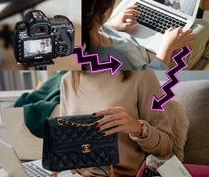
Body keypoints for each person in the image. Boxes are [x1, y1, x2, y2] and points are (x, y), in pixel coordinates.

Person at [54, 70, 188, 177]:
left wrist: (137, 128)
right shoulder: (68, 80)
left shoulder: (142, 75)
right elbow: (66, 140)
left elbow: (166, 146)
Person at [82, 0, 196, 70]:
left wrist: (110, 26)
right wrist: (168, 47)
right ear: (105, 12)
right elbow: (149, 82)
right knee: (204, 27)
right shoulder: (119, 57)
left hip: (118, 37)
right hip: (150, 62)